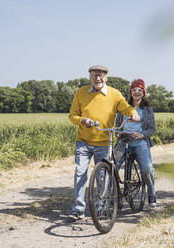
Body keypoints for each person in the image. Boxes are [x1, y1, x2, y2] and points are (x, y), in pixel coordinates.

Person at [68, 65, 139, 221]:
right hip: (83, 142)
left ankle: (102, 208)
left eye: (100, 75)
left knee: (102, 177)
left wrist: (133, 113)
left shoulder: (114, 94)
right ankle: (78, 210)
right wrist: (82, 120)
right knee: (80, 173)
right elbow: (72, 115)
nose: (97, 78)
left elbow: (125, 107)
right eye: (94, 75)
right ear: (90, 77)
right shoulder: (81, 93)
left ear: (106, 77)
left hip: (104, 142)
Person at [115, 79, 157, 207]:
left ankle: (151, 193)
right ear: (130, 92)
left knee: (147, 169)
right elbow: (118, 126)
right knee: (111, 166)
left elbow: (151, 128)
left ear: (143, 93)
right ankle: (114, 194)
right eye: (134, 90)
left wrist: (141, 135)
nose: (136, 92)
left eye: (140, 90)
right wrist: (119, 133)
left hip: (140, 142)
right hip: (124, 141)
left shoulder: (147, 109)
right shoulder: (123, 108)